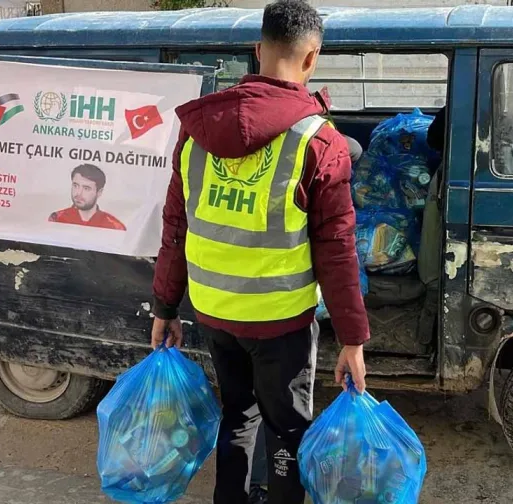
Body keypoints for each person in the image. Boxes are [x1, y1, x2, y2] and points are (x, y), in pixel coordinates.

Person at [149, 1, 370, 502]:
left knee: (237, 416)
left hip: (215, 314)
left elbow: (175, 227)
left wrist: (164, 306)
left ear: (257, 51)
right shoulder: (320, 142)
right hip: (280, 324)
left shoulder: (196, 132)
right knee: (287, 431)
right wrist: (353, 340)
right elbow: (337, 252)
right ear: (311, 59)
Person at [248, 134, 364, 504]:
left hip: (228, 306)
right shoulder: (312, 146)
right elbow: (336, 255)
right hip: (285, 312)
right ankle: (273, 485)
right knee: (284, 413)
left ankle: (254, 484)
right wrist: (352, 339)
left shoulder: (229, 149)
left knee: (246, 409)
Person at [48, 163, 126, 230]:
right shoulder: (57, 219)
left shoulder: (115, 227)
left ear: (99, 192)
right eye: (75, 185)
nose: (78, 193)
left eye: (86, 188)